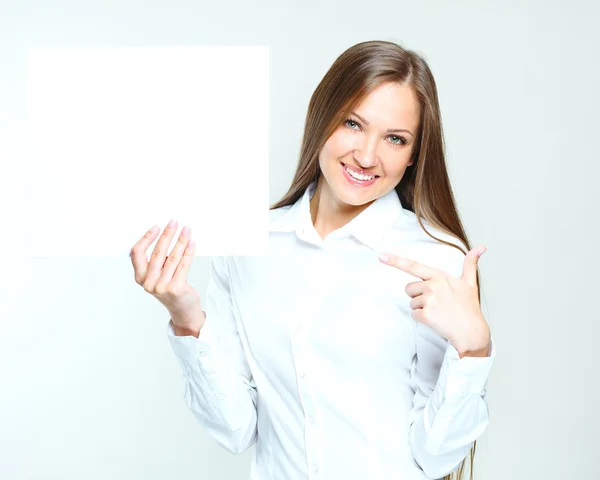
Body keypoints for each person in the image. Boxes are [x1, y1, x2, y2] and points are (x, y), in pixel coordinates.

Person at [130, 40, 497, 480]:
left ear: (414, 154)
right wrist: (187, 319)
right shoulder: (251, 244)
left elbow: (436, 456)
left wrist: (474, 350)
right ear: (322, 118)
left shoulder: (435, 260)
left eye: (394, 138)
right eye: (352, 124)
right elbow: (237, 430)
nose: (366, 156)